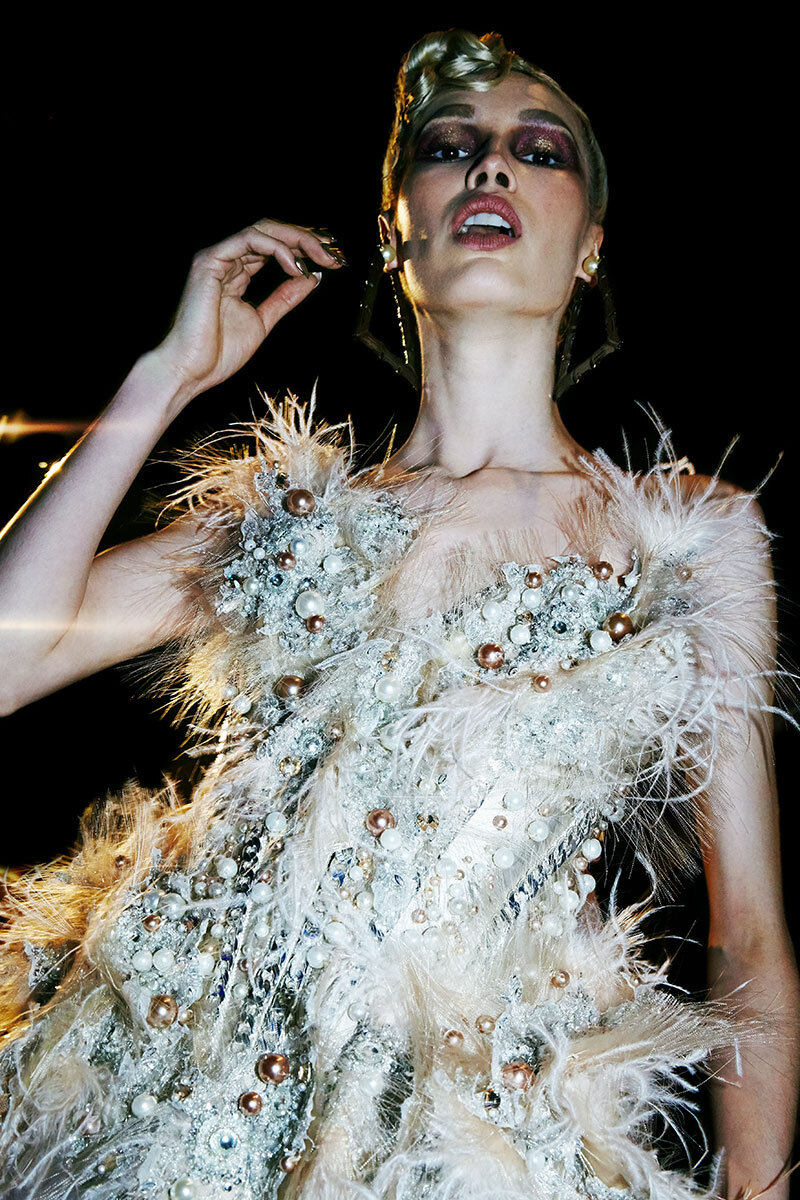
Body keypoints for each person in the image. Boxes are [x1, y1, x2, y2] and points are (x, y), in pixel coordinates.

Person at [0, 27, 798, 1199]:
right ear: (394, 234)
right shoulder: (283, 524)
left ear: (588, 247)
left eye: (538, 151)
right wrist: (165, 375)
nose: (489, 170)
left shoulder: (688, 537)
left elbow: (747, 935)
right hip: (189, 1110)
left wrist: (758, 1185)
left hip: (480, 1133)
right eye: (447, 149)